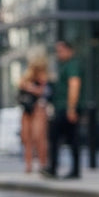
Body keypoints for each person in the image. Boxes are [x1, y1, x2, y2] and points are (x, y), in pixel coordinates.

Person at [43, 39, 81, 180]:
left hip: (66, 108)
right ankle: (65, 169)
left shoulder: (72, 65)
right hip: (62, 107)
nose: (58, 54)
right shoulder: (62, 65)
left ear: (69, 50)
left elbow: (74, 85)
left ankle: (55, 169)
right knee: (70, 139)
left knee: (61, 138)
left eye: (61, 50)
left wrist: (71, 108)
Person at [16, 50, 49, 174]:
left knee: (38, 137)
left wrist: (29, 87)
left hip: (38, 108)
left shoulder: (43, 75)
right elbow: (20, 84)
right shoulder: (27, 74)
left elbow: (43, 91)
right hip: (27, 108)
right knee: (26, 137)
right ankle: (28, 164)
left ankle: (42, 163)